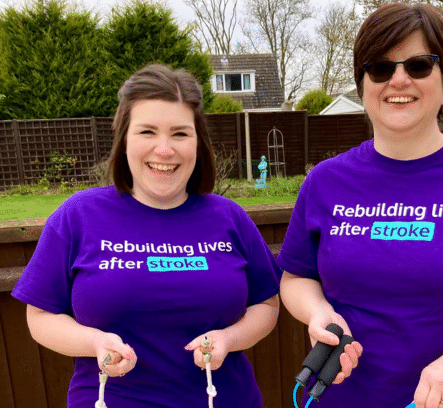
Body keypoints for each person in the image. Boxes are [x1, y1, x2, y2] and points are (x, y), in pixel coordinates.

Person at [277, 3, 443, 408]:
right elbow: (295, 278)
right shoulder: (325, 182)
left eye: (419, 65)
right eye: (380, 68)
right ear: (363, 84)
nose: (398, 80)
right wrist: (317, 313)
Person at [12, 64, 281, 408]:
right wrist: (95, 343)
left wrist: (230, 337)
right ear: (124, 139)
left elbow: (267, 304)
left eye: (180, 134)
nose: (165, 150)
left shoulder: (231, 218)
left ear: (199, 144)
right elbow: (40, 317)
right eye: (147, 132)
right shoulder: (77, 216)